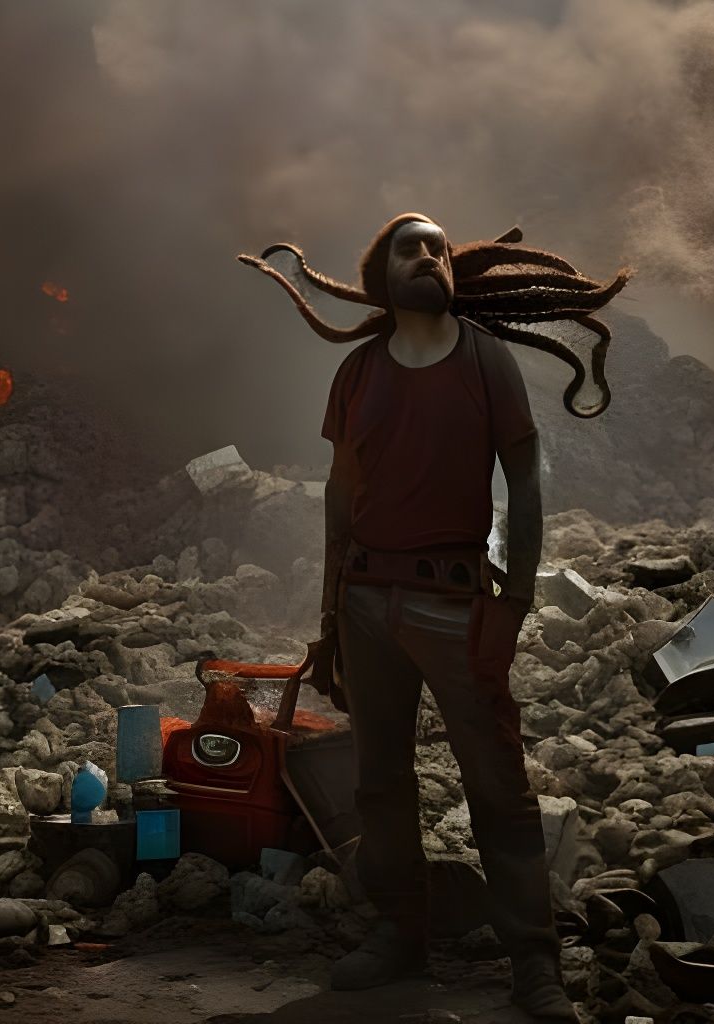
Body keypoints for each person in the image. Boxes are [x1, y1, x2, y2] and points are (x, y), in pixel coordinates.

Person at [238, 214, 630, 1022]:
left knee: (499, 784)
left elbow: (524, 487)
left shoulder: (486, 361)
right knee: (381, 781)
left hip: (456, 601)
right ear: (383, 274)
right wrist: (329, 616)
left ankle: (533, 960)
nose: (429, 256)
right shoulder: (356, 374)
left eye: (439, 248)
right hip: (366, 600)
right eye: (411, 248)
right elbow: (341, 491)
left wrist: (513, 605)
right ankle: (399, 935)